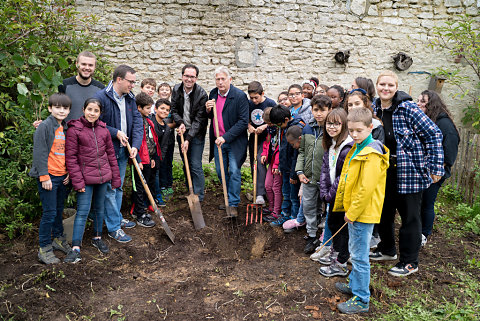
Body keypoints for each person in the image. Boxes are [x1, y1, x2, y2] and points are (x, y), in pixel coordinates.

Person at [370, 70, 444, 277]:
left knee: (410, 217)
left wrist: (436, 167)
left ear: (396, 87)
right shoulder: (375, 107)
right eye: (382, 84)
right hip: (384, 171)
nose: (386, 88)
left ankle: (410, 262)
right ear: (377, 86)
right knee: (383, 213)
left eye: (390, 85)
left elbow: (433, 134)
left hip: (409, 172)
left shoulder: (408, 108)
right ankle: (387, 250)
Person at [333, 107, 389, 314]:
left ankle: (362, 299)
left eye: (359, 131)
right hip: (356, 210)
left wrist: (352, 212)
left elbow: (366, 189)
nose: (354, 135)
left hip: (362, 212)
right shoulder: (358, 147)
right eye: (351, 130)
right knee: (355, 250)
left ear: (370, 128)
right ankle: (355, 285)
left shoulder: (371, 154)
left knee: (359, 256)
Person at [64, 98, 121, 263]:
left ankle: (97, 238)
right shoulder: (75, 130)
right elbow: (71, 158)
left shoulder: (103, 130)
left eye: (96, 111)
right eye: (90, 109)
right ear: (83, 109)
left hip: (103, 177)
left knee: (99, 209)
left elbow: (111, 155)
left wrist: (115, 178)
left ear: (100, 113)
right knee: (82, 212)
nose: (92, 113)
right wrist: (78, 182)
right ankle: (76, 248)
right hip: (85, 180)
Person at [94, 64, 144, 243]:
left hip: (124, 151)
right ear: (119, 79)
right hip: (107, 152)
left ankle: (115, 218)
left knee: (119, 186)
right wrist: (115, 132)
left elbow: (138, 123)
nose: (132, 85)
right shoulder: (101, 97)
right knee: (109, 188)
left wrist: (136, 146)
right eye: (130, 81)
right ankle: (114, 227)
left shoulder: (130, 98)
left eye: (134, 82)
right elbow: (94, 122)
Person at [29, 93, 72, 264]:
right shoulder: (44, 126)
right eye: (57, 107)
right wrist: (44, 176)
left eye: (65, 108)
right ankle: (44, 247)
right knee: (49, 213)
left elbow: (67, 152)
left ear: (69, 110)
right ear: (50, 108)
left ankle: (58, 239)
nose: (61, 111)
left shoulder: (66, 128)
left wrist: (68, 172)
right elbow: (39, 153)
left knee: (58, 210)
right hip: (49, 177)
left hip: (62, 177)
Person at [417, 90, 460, 245]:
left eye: (423, 101)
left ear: (432, 104)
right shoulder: (428, 120)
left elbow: (450, 151)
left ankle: (424, 234)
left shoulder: (444, 123)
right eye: (419, 100)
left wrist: (437, 170)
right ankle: (418, 230)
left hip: (435, 173)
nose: (419, 104)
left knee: (427, 203)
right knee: (420, 202)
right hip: (422, 171)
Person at [205, 66, 249, 217]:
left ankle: (233, 203)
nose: (220, 82)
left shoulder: (239, 96)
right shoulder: (213, 94)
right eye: (217, 79)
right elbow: (212, 117)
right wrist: (208, 110)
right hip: (219, 142)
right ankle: (228, 197)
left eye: (223, 79)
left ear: (230, 80)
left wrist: (226, 137)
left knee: (234, 171)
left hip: (234, 142)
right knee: (220, 171)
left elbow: (243, 122)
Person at [317, 108, 353, 277]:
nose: (331, 127)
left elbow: (343, 176)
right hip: (333, 195)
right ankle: (336, 253)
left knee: (341, 229)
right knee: (332, 223)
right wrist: (324, 191)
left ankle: (341, 262)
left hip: (343, 196)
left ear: (344, 125)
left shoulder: (348, 147)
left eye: (336, 124)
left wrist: (330, 193)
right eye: (329, 123)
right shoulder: (330, 144)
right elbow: (326, 170)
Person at [293, 95, 331, 253]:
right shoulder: (307, 128)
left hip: (326, 178)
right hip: (309, 176)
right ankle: (311, 234)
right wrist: (300, 171)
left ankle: (325, 236)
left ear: (329, 110)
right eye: (316, 110)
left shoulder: (332, 129)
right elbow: (302, 152)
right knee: (308, 205)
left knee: (324, 207)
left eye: (323, 110)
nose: (319, 114)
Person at [171, 64, 209, 202]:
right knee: (185, 162)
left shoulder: (202, 94)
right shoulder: (176, 89)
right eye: (186, 76)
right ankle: (190, 192)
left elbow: (199, 120)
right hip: (182, 131)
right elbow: (174, 110)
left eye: (192, 77)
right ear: (182, 76)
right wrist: (180, 123)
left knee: (195, 164)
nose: (189, 79)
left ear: (196, 78)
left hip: (196, 133)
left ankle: (199, 195)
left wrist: (188, 138)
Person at [266, 105, 305, 225]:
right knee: (286, 193)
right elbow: (282, 149)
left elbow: (296, 155)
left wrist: (294, 174)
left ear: (286, 119)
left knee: (293, 196)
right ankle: (285, 214)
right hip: (285, 168)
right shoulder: (284, 127)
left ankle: (294, 218)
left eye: (278, 124)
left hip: (292, 170)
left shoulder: (296, 129)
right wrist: (280, 166)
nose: (278, 127)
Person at [130, 92, 160, 227]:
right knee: (139, 187)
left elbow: (151, 141)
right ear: (139, 108)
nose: (150, 110)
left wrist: (153, 156)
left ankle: (141, 209)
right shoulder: (135, 122)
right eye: (147, 108)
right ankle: (139, 213)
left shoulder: (148, 120)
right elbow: (134, 142)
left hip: (148, 159)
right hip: (139, 160)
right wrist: (137, 160)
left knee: (146, 183)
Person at [247, 81, 277, 205]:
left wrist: (264, 126)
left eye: (256, 97)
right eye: (251, 98)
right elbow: (245, 118)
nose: (254, 100)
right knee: (254, 163)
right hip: (254, 137)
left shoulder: (270, 103)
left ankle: (262, 193)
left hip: (267, 138)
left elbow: (275, 120)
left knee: (261, 161)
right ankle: (258, 190)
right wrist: (249, 126)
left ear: (262, 93)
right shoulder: (248, 104)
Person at [58, 51, 105, 123]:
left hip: (92, 133)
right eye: (83, 64)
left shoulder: (100, 88)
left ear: (95, 67)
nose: (87, 68)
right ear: (77, 64)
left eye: (90, 65)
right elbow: (56, 111)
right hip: (67, 132)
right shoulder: (64, 85)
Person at [151, 99, 175, 207]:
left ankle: (157, 197)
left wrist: (160, 158)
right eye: (162, 109)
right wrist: (151, 157)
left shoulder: (166, 127)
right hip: (148, 155)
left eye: (167, 110)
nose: (165, 111)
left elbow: (164, 146)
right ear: (155, 109)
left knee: (156, 175)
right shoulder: (150, 122)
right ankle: (149, 199)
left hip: (157, 156)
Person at [260, 108, 282, 220]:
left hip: (278, 164)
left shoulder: (280, 131)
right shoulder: (270, 130)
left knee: (276, 187)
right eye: (266, 123)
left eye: (270, 123)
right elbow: (267, 142)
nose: (268, 125)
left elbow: (280, 150)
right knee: (268, 185)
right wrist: (264, 153)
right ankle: (271, 207)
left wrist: (276, 165)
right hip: (272, 162)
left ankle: (277, 212)